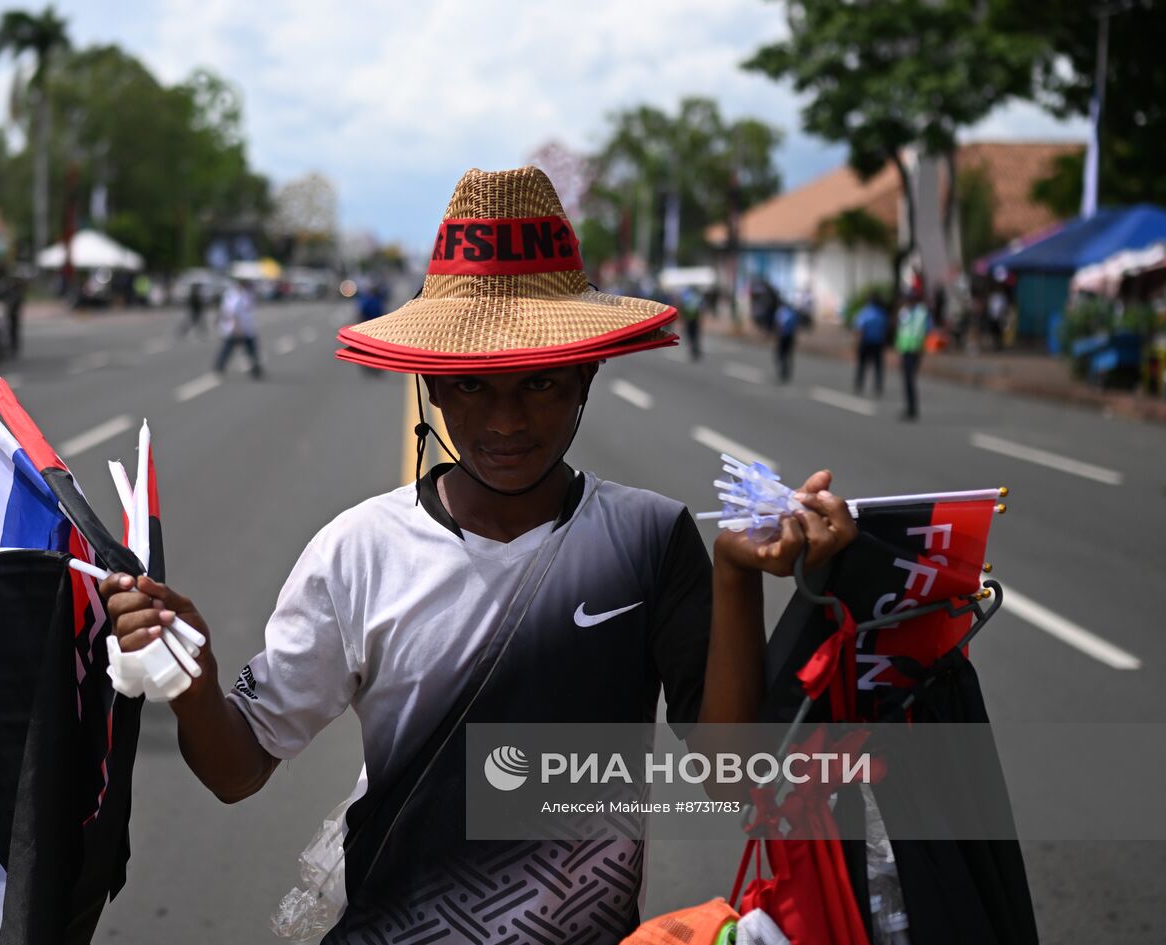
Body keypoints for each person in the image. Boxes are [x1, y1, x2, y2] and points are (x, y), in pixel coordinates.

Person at [99, 167, 854, 941]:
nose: (503, 419)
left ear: (588, 371)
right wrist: (192, 686)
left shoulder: (651, 539)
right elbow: (237, 767)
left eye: (540, 384)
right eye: (469, 385)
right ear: (429, 383)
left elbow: (734, 782)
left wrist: (734, 575)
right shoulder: (358, 551)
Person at [213, 278, 263, 379]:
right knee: (243, 349)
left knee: (232, 348)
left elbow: (224, 310)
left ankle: (255, 369)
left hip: (243, 328)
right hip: (238, 329)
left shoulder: (241, 294)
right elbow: (234, 313)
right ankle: (220, 366)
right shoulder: (236, 296)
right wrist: (238, 328)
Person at [896, 289, 929, 420]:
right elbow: (901, 329)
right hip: (905, 348)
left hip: (915, 349)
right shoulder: (904, 312)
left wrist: (921, 348)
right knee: (906, 379)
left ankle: (912, 408)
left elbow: (925, 330)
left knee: (910, 379)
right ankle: (909, 407)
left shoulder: (922, 313)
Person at [853, 294, 888, 396]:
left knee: (862, 364)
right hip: (878, 342)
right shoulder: (881, 314)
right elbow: (885, 328)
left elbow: (860, 328)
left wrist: (857, 342)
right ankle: (878, 386)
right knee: (878, 366)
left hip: (866, 342)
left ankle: (859, 383)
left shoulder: (865, 312)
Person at [774, 297, 798, 383]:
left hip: (783, 337)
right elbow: (795, 325)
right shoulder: (792, 313)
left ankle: (783, 372)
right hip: (790, 337)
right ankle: (787, 372)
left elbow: (777, 324)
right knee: (788, 355)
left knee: (781, 355)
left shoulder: (780, 312)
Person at [679, 285, 703, 360]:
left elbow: (682, 307)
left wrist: (681, 319)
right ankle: (696, 349)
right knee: (695, 335)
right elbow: (701, 309)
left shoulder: (686, 297)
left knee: (690, 335)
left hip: (688, 319)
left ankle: (693, 349)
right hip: (695, 319)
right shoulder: (698, 297)